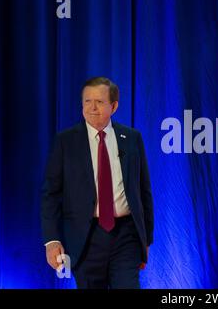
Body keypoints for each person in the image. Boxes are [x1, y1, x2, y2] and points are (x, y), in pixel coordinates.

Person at [41, 77, 153, 289]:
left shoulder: (131, 138)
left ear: (114, 106)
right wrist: (52, 240)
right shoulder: (66, 141)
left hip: (126, 235)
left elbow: (143, 191)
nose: (92, 108)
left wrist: (146, 238)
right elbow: (51, 194)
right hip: (85, 238)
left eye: (99, 102)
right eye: (87, 101)